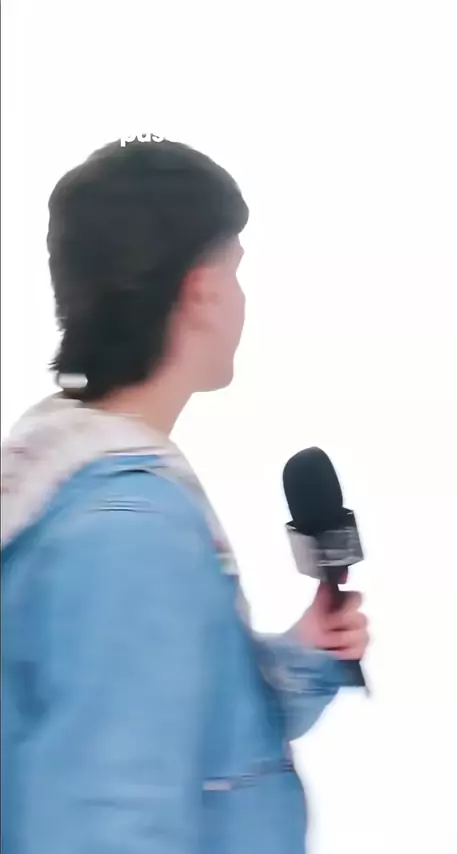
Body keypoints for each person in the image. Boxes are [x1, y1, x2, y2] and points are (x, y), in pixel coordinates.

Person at [1, 139, 369, 854]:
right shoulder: (130, 534)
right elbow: (110, 824)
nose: (242, 297)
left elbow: (186, 739)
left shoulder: (73, 478)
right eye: (236, 271)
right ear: (201, 292)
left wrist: (298, 659)